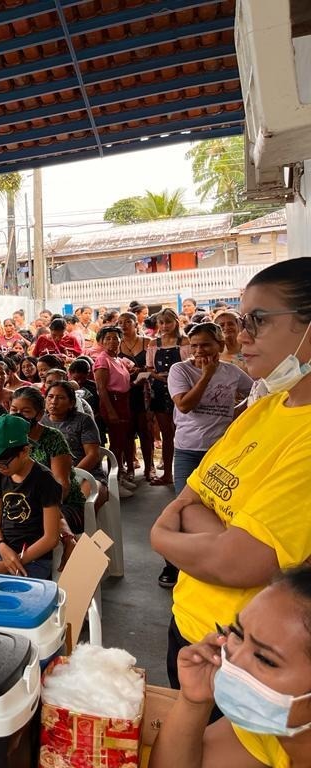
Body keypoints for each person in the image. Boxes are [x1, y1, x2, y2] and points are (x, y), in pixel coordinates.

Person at [151, 258, 311, 690]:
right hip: (190, 629)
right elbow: (189, 496)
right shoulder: (264, 408)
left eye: (258, 320)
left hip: (248, 657)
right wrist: (222, 533)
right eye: (242, 321)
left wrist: (163, 536)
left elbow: (237, 562)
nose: (241, 336)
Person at [150, 568, 311, 768]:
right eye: (238, 634)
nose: (235, 659)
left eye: (265, 659)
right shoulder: (269, 732)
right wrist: (193, 701)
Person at [155, 322, 253, 590]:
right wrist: (206, 376)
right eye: (194, 345)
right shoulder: (180, 369)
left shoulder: (232, 372)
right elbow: (184, 405)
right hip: (188, 450)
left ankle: (212, 564)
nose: (199, 350)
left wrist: (237, 412)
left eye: (206, 344)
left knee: (218, 510)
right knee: (182, 508)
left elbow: (256, 392)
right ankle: (173, 564)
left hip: (222, 452)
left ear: (220, 346)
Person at [0, 415, 62, 579]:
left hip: (33, 558)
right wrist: (1, 546)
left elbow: (51, 538)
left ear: (25, 451)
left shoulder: (45, 480)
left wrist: (10, 563)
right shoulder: (0, 475)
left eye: (3, 463)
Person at [9, 386, 86, 539]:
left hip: (61, 503)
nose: (18, 416)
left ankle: (63, 559)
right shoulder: (9, 438)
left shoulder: (53, 438)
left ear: (39, 415)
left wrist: (37, 507)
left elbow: (62, 485)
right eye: (13, 410)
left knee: (33, 525)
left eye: (25, 411)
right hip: (19, 500)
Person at [42, 381, 108, 520]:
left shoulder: (84, 421)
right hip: (51, 477)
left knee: (82, 510)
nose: (54, 401)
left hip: (86, 475)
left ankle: (96, 542)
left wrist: (73, 476)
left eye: (60, 398)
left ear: (71, 403)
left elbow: (93, 455)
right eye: (50, 397)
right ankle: (63, 540)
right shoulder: (40, 422)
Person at [147, 308, 190, 487]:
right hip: (160, 390)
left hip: (181, 390)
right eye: (161, 323)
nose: (164, 326)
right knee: (166, 433)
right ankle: (167, 474)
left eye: (168, 322)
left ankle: (187, 472)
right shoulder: (153, 343)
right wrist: (158, 377)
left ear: (176, 323)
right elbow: (149, 368)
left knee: (185, 432)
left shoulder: (184, 341)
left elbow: (191, 366)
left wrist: (175, 377)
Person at [94, 325, 135, 492]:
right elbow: (102, 388)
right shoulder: (102, 360)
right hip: (113, 403)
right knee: (116, 444)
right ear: (102, 342)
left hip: (123, 401)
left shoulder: (117, 359)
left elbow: (122, 382)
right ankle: (114, 483)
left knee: (123, 441)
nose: (112, 341)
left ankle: (120, 476)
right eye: (108, 338)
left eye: (115, 338)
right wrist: (110, 410)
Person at [117, 312, 152, 484]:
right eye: (120, 322)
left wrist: (142, 370)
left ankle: (149, 467)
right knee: (128, 433)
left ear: (135, 324)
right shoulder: (117, 345)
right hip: (126, 392)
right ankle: (130, 467)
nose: (124, 325)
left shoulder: (147, 342)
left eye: (127, 322)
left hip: (145, 391)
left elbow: (153, 366)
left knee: (146, 431)